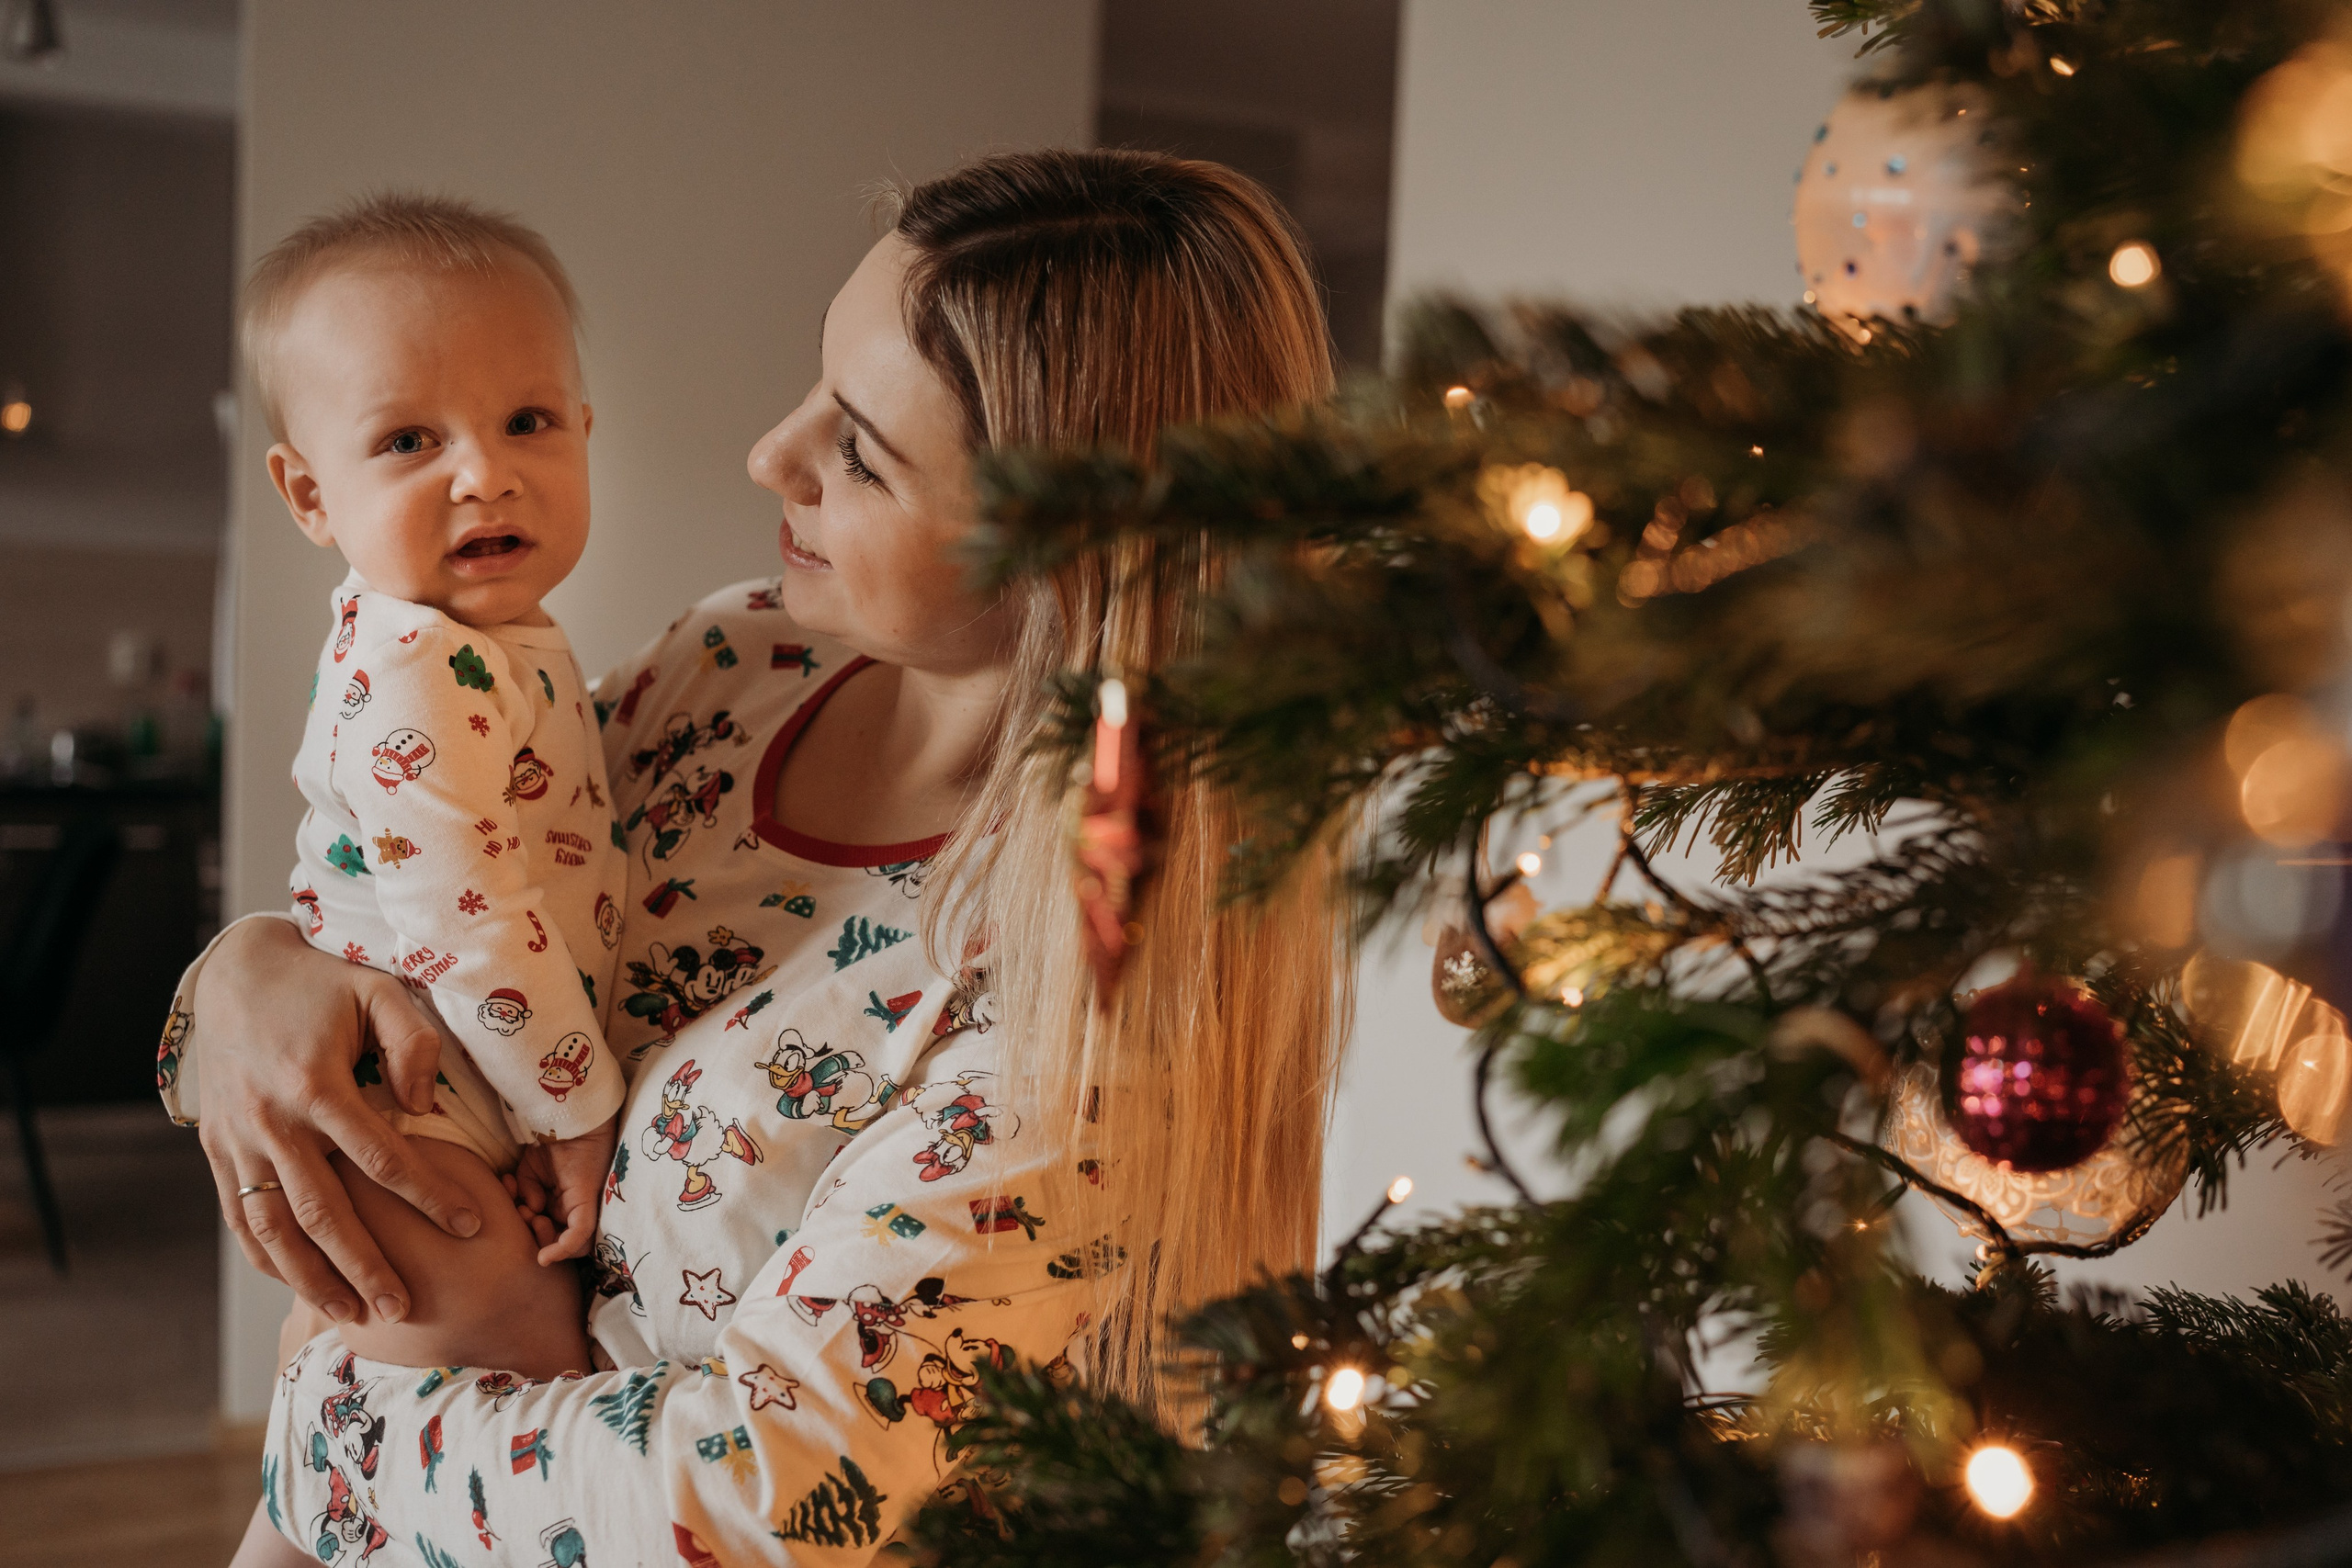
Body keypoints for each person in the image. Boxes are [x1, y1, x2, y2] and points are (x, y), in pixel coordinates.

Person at [170, 149, 1355, 1564]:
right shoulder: (735, 666)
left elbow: (761, 1502)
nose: (770, 455)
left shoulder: (1092, 991)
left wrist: (322, 1412)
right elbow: (442, 874)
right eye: (816, 385)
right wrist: (238, 982)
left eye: (859, 450)